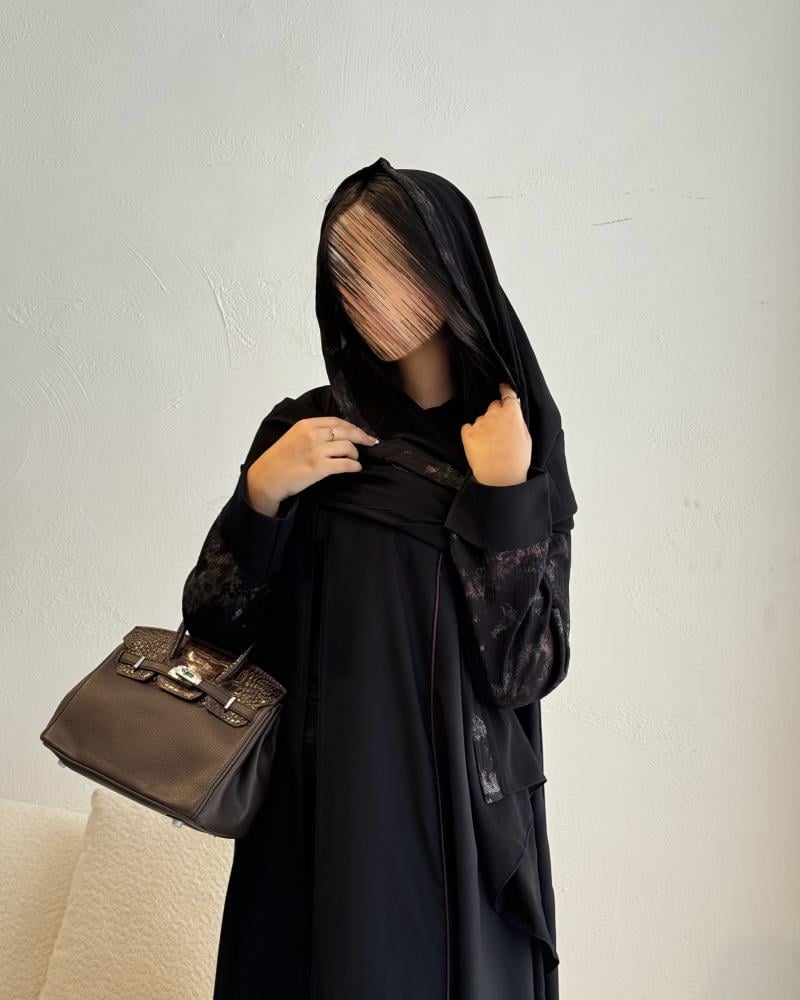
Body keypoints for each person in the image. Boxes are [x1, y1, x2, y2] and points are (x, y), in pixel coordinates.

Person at [181, 156, 577, 1000]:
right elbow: (215, 631)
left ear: (446, 267)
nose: (364, 294)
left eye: (387, 265)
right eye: (345, 273)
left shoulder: (517, 442)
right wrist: (261, 495)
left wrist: (505, 496)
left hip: (455, 824)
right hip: (316, 811)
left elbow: (527, 668)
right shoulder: (304, 432)